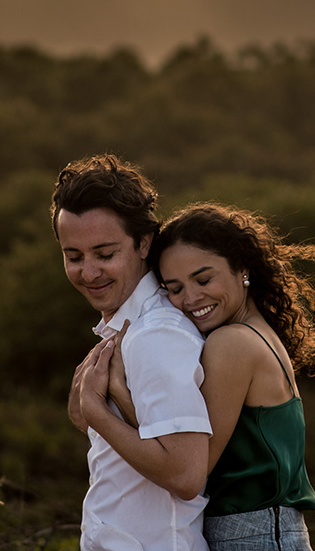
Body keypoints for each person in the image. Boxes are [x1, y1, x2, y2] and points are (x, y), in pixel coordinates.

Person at [79, 202, 315, 551]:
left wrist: (106, 405)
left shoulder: (232, 343)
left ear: (242, 269)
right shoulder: (255, 333)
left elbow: (185, 468)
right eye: (175, 288)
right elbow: (181, 447)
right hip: (268, 531)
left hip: (253, 536)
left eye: (204, 279)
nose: (191, 298)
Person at [53, 155, 213, 551]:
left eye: (105, 254)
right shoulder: (126, 330)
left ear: (143, 243)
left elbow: (185, 475)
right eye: (73, 257)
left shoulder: (156, 335)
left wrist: (95, 414)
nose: (88, 273)